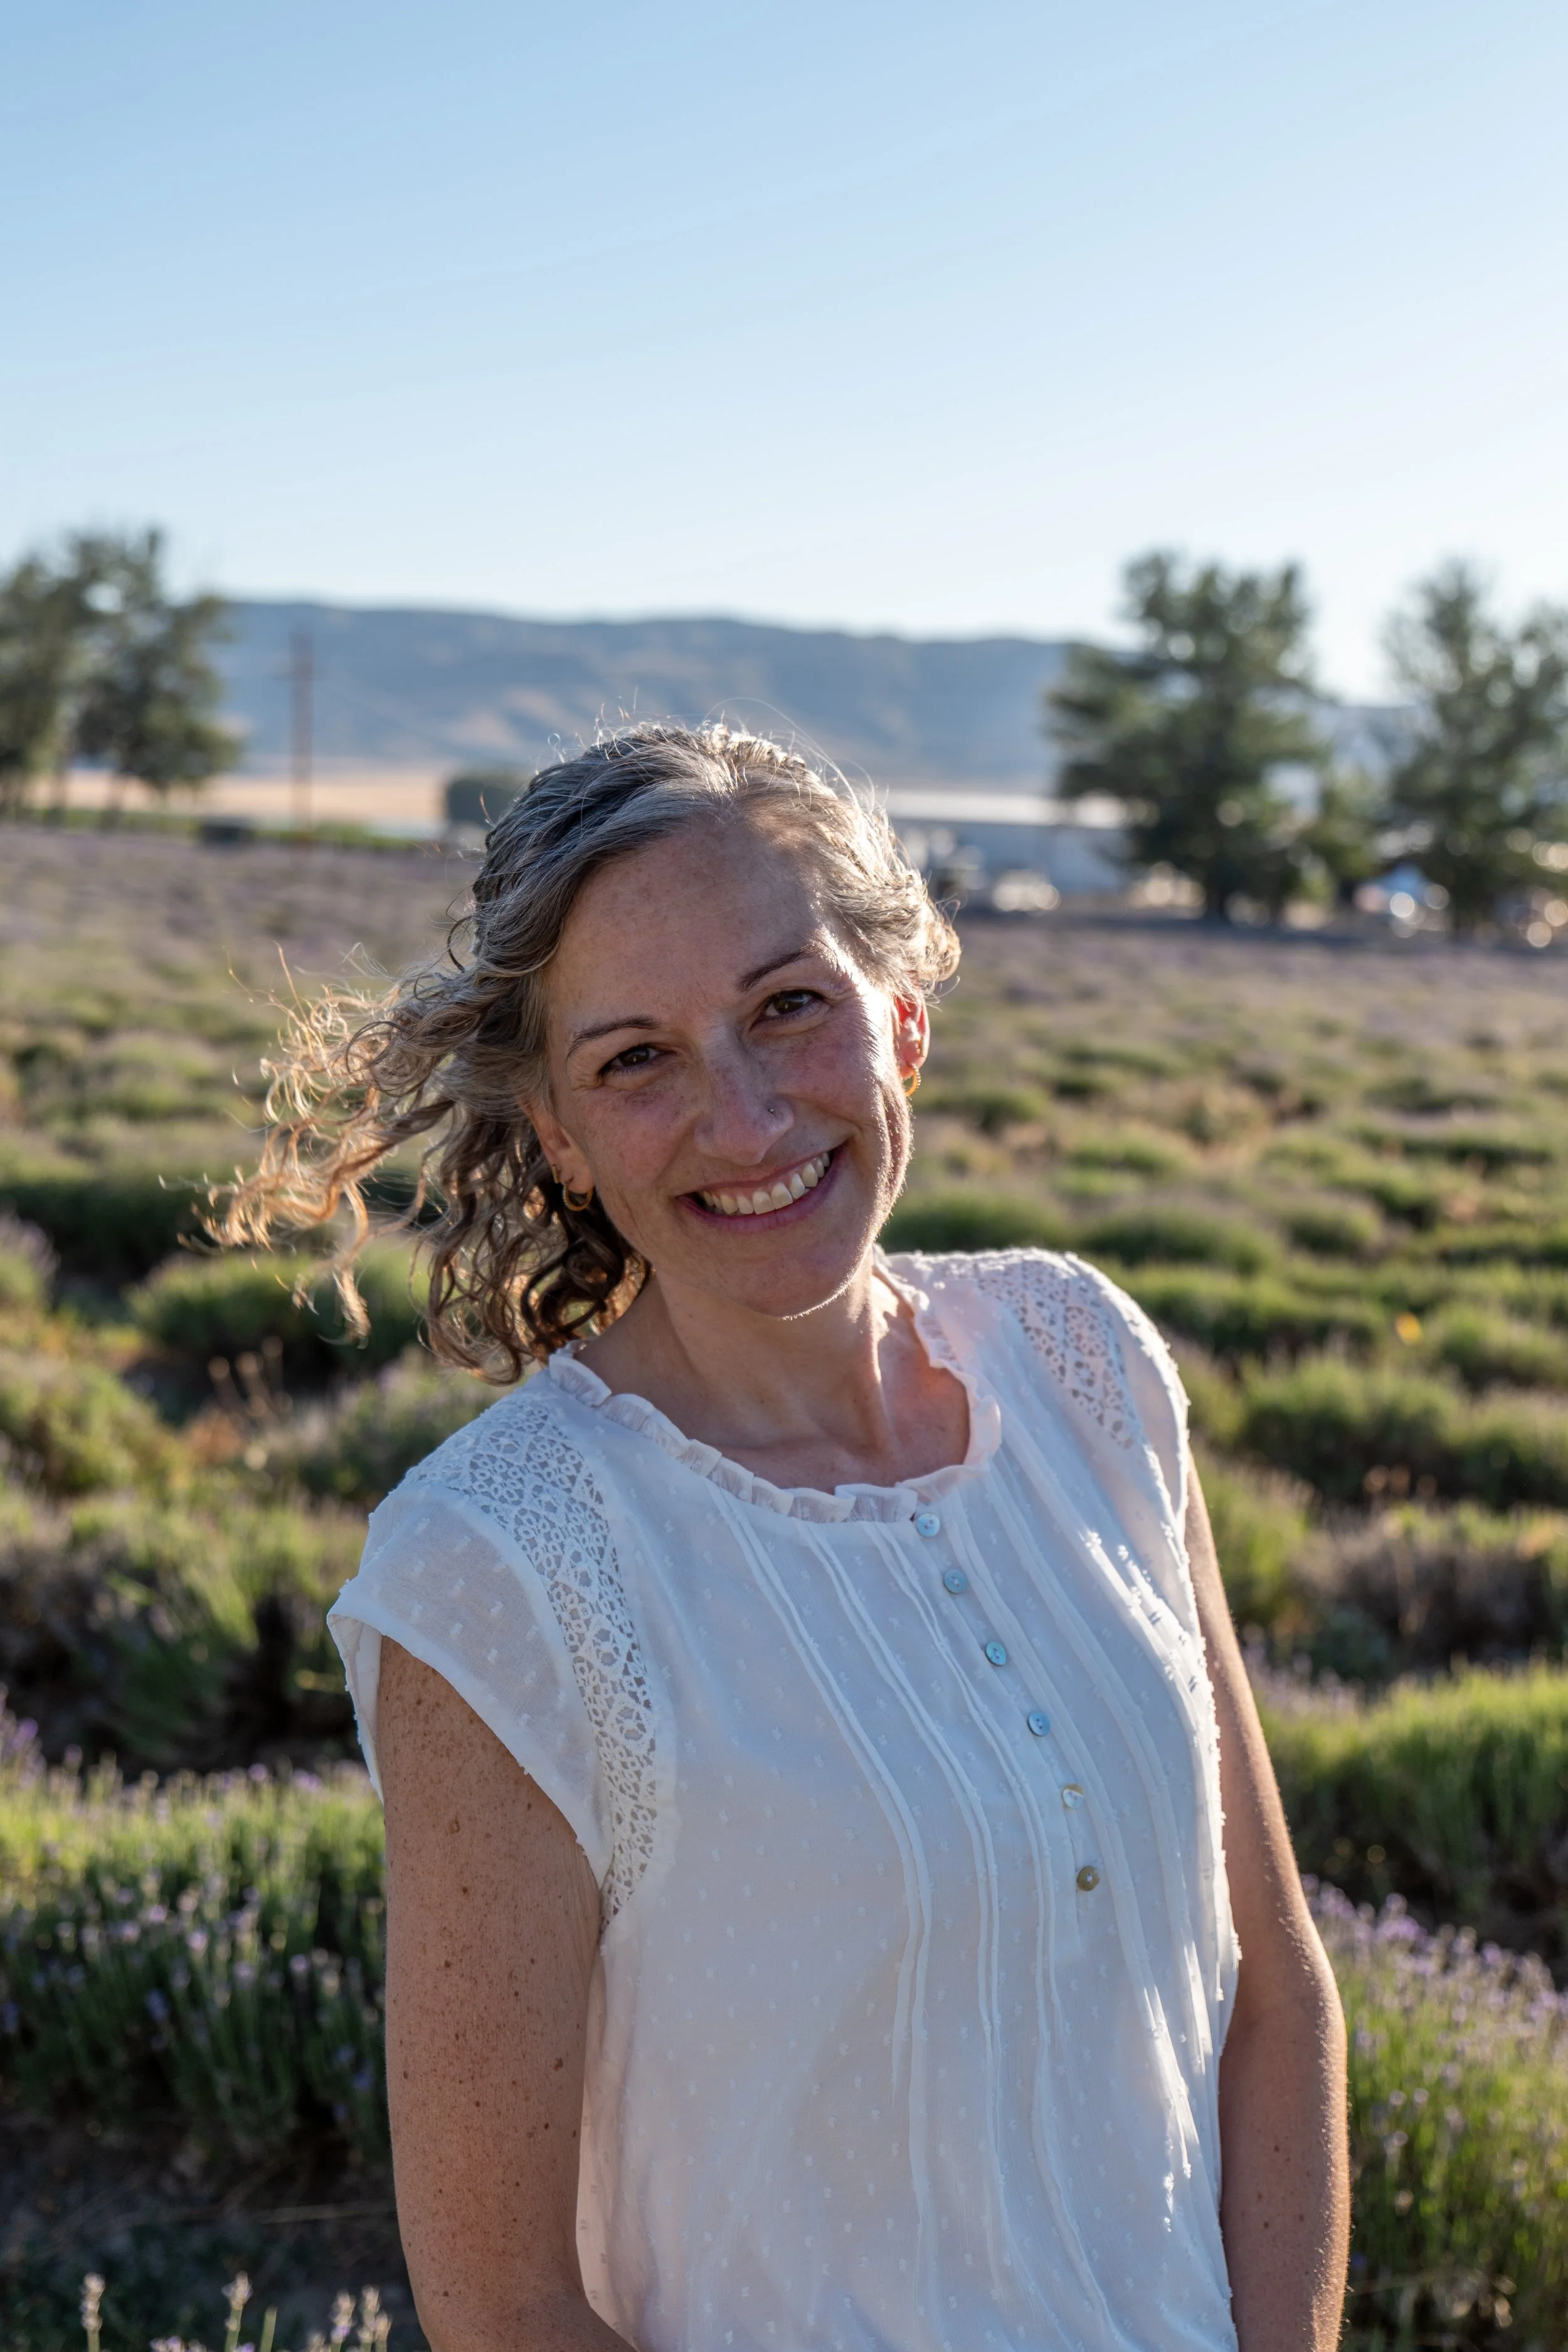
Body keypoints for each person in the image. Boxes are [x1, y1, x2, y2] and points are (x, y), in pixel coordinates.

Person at [221, 724, 1348, 2352]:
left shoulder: (1084, 1365)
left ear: (902, 1015)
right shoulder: (497, 1569)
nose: (743, 1117)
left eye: (787, 1006)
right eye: (636, 1059)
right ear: (555, 1132)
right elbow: (506, 2306)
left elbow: (1273, 1992)